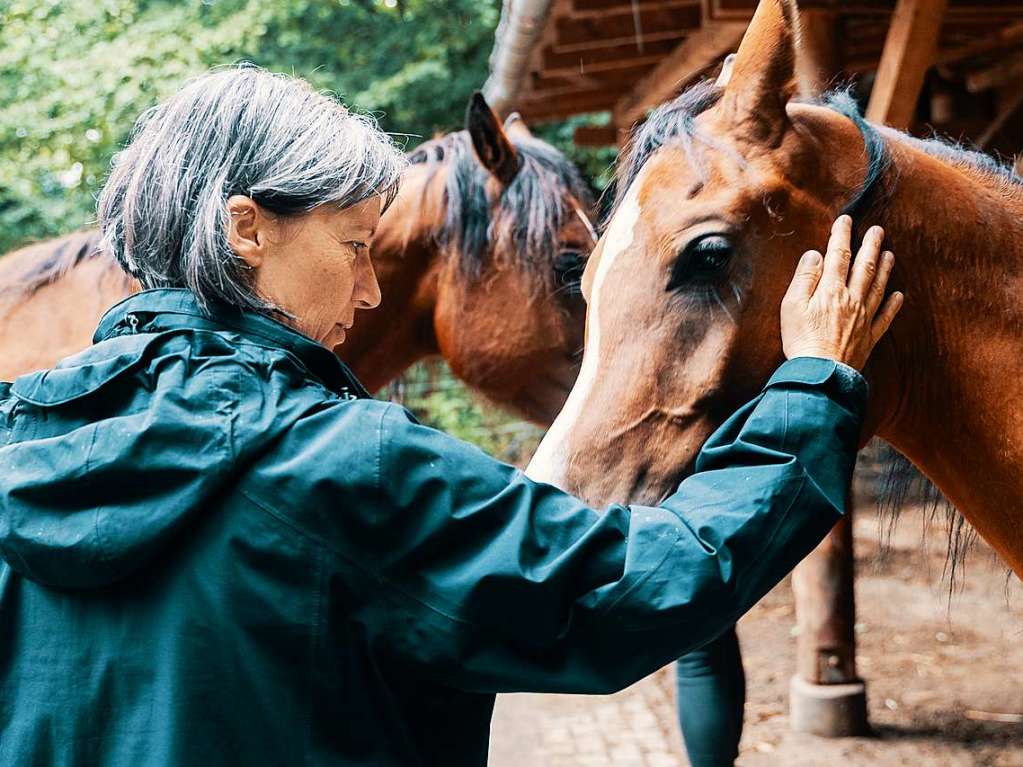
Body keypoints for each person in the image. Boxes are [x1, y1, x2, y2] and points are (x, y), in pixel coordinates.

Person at [0, 66, 901, 766]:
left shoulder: (16, 442)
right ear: (248, 229)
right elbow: (635, 588)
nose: (367, 286)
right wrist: (812, 387)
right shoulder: (335, 465)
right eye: (354, 246)